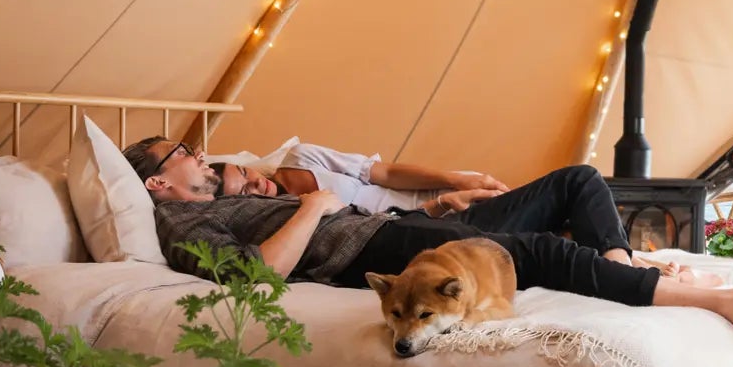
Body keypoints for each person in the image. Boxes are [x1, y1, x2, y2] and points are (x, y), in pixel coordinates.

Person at [124, 137, 733, 338]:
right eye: (181, 150)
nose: (198, 154)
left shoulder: (233, 196)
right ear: (156, 183)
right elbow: (256, 279)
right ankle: (717, 303)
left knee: (577, 182)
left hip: (402, 228)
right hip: (369, 250)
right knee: (530, 255)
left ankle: (619, 263)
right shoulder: (180, 223)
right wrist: (314, 208)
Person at [214, 143, 648, 267]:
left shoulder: (302, 157)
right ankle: (619, 266)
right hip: (426, 226)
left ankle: (618, 262)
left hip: (442, 207)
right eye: (243, 193)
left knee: (578, 187)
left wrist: (452, 181)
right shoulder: (288, 223)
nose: (256, 185)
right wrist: (443, 206)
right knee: (568, 198)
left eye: (246, 172)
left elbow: (384, 174)